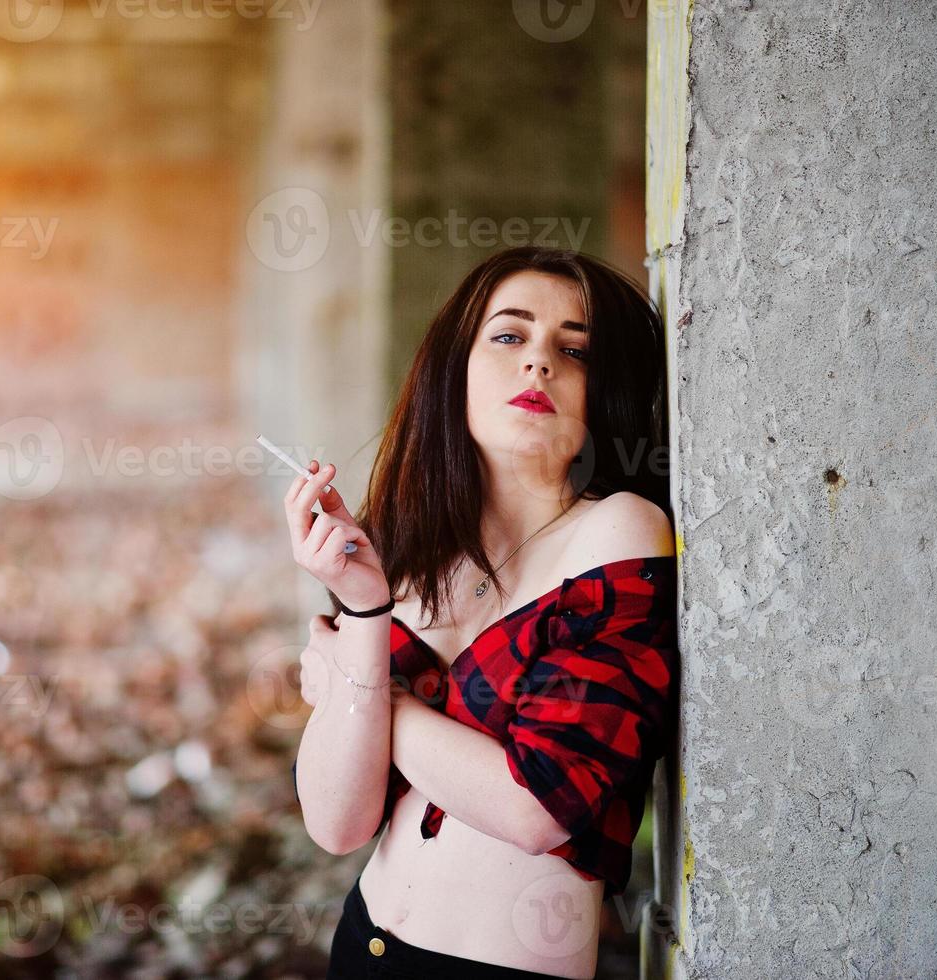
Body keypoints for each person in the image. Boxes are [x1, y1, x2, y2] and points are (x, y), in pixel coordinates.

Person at [285, 245, 679, 979]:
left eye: (573, 350)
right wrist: (365, 615)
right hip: (363, 942)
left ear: (608, 389)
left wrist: (361, 686)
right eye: (509, 336)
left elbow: (537, 806)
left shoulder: (617, 531)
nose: (537, 364)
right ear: (455, 366)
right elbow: (337, 825)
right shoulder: (409, 547)